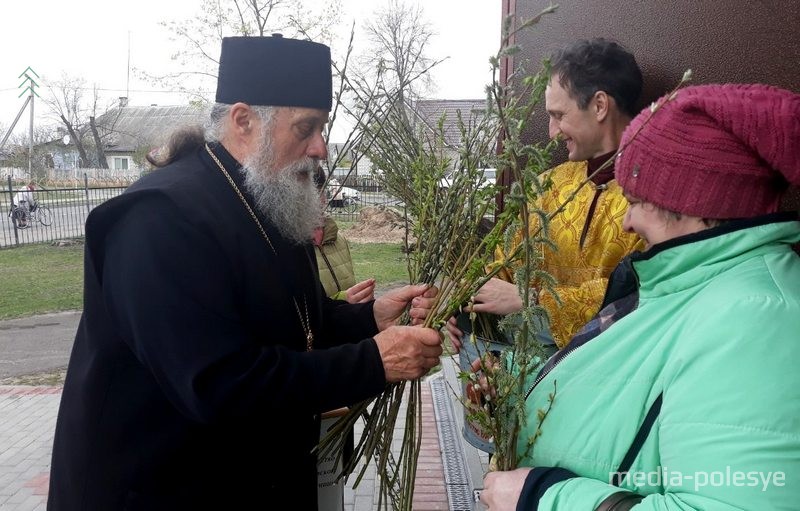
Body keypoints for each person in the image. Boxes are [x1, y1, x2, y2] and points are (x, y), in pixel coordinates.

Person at [47, 35, 443, 510]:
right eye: (306, 127)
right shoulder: (160, 219)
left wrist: (371, 319)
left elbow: (298, 323)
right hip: (157, 489)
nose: (320, 147)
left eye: (324, 128)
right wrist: (373, 362)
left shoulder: (267, 200)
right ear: (243, 120)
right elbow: (219, 383)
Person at [480, 83, 800, 510]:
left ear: (693, 204)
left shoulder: (759, 320)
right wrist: (517, 381)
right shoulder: (690, 285)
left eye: (636, 201)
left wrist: (544, 498)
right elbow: (633, 378)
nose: (627, 222)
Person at [447, 38, 645, 353]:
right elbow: (506, 267)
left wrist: (535, 301)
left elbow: (644, 295)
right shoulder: (547, 185)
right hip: (519, 371)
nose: (552, 132)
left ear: (599, 106)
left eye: (558, 115)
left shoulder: (655, 199)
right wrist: (465, 305)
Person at [313, 166, 375, 304]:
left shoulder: (338, 238)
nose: (322, 201)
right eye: (312, 194)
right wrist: (342, 300)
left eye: (322, 192)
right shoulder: (285, 247)